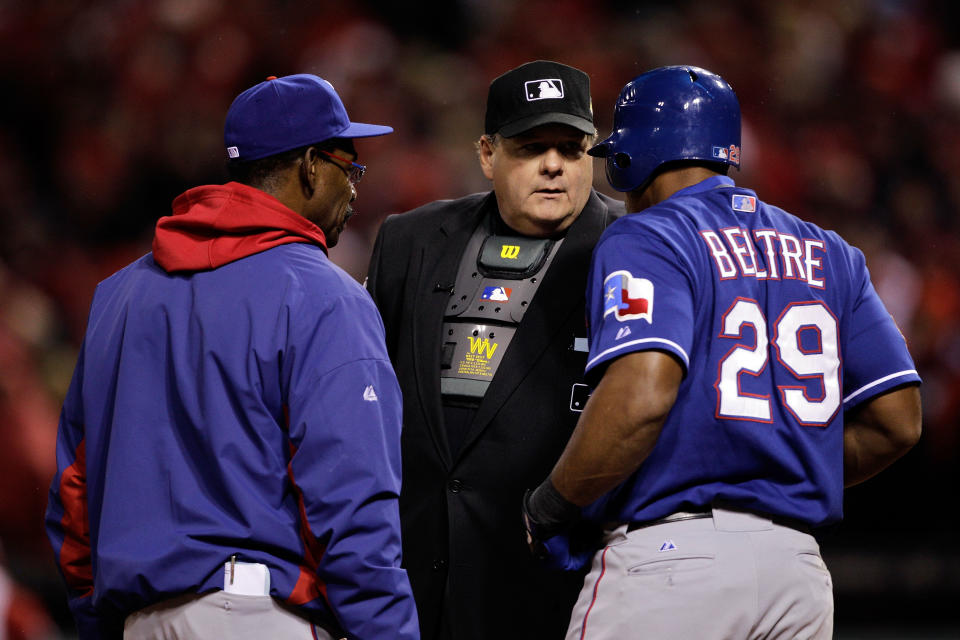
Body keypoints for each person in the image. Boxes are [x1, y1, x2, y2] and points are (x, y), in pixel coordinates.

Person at [522, 65, 923, 639]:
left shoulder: (649, 234)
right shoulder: (831, 251)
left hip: (672, 560)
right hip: (799, 575)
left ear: (628, 158)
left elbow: (642, 394)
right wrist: (775, 464)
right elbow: (899, 422)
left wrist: (552, 505)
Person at [44, 74, 419, 640]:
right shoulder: (326, 299)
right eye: (350, 165)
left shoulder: (118, 295)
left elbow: (75, 489)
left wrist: (102, 620)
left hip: (137, 620)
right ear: (312, 165)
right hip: (257, 614)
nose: (356, 189)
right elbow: (353, 504)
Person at [365, 60, 623, 639]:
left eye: (572, 148)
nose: (554, 165)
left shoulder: (630, 247)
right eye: (532, 147)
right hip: (412, 576)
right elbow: (368, 400)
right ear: (487, 154)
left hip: (558, 583)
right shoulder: (409, 241)